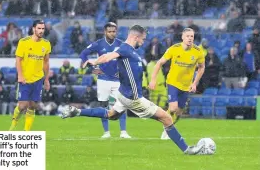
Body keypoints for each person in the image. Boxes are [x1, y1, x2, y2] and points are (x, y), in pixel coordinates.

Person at [62, 25, 205, 155]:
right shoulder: (124, 48)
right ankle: (187, 150)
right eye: (142, 39)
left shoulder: (130, 50)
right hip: (134, 98)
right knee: (167, 118)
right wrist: (95, 61)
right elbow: (108, 56)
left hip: (123, 94)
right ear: (135, 37)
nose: (143, 42)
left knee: (111, 114)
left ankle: (77, 111)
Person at [149, 28, 205, 140]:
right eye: (188, 36)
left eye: (192, 36)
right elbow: (159, 63)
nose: (190, 38)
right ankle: (166, 128)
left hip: (186, 86)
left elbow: (202, 67)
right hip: (173, 82)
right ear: (182, 37)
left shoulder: (198, 51)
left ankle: (170, 125)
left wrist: (194, 83)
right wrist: (153, 79)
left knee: (179, 112)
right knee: (173, 108)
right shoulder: (174, 49)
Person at [79, 22, 131, 139]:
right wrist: (92, 68)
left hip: (118, 80)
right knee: (103, 105)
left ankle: (123, 132)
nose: (112, 33)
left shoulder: (121, 44)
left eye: (114, 31)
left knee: (122, 104)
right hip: (103, 79)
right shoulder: (98, 44)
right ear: (105, 32)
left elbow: (127, 59)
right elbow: (83, 54)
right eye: (110, 31)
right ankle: (106, 132)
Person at [9, 20, 51, 131]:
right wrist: (20, 76)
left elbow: (46, 62)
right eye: (39, 28)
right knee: (22, 105)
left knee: (32, 105)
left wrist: (46, 79)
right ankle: (13, 125)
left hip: (38, 79)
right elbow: (18, 60)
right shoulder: (24, 42)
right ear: (34, 29)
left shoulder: (46, 44)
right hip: (25, 79)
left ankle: (26, 131)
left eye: (43, 29)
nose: (41, 31)